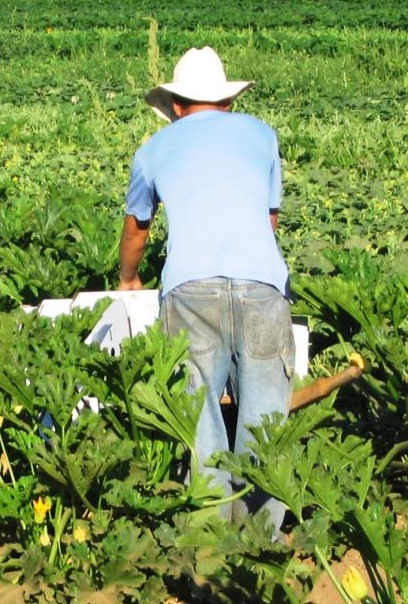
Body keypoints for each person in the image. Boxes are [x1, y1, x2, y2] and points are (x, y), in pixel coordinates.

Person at [117, 46, 294, 533]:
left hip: (190, 290)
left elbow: (137, 230)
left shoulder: (154, 148)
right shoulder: (262, 135)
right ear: (227, 102)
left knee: (201, 421)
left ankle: (212, 551)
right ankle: (259, 552)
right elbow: (270, 220)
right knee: (265, 425)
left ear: (175, 105)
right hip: (262, 284)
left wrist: (129, 279)